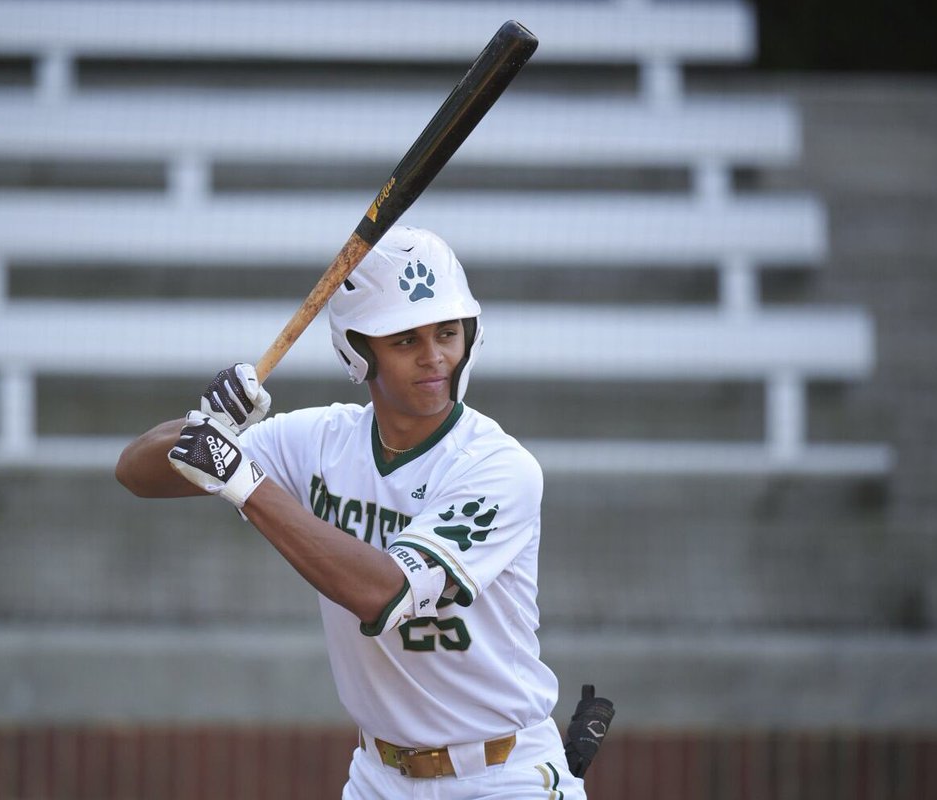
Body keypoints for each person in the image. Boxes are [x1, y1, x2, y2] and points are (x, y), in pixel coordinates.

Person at [116, 225, 585, 798]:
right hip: (377, 776)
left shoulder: (499, 468)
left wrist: (244, 481)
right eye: (405, 340)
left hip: (501, 775)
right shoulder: (324, 438)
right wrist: (206, 426)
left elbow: (383, 595)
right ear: (359, 351)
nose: (434, 357)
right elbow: (137, 473)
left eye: (447, 333)